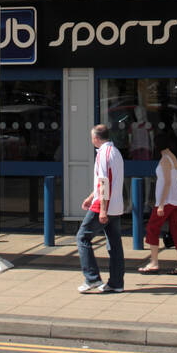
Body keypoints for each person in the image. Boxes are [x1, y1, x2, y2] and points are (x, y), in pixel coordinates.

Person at [76, 123, 124, 293]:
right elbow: (107, 180)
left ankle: (92, 278)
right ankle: (116, 282)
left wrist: (102, 209)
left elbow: (104, 182)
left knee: (82, 237)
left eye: (92, 137)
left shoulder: (103, 154)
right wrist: (91, 197)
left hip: (105, 205)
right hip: (115, 205)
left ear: (96, 138)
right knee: (114, 244)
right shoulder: (115, 152)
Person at [139, 133, 177, 275]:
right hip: (176, 199)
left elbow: (166, 182)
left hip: (167, 200)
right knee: (176, 230)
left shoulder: (165, 159)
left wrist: (160, 204)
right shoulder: (172, 157)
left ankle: (154, 262)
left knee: (152, 228)